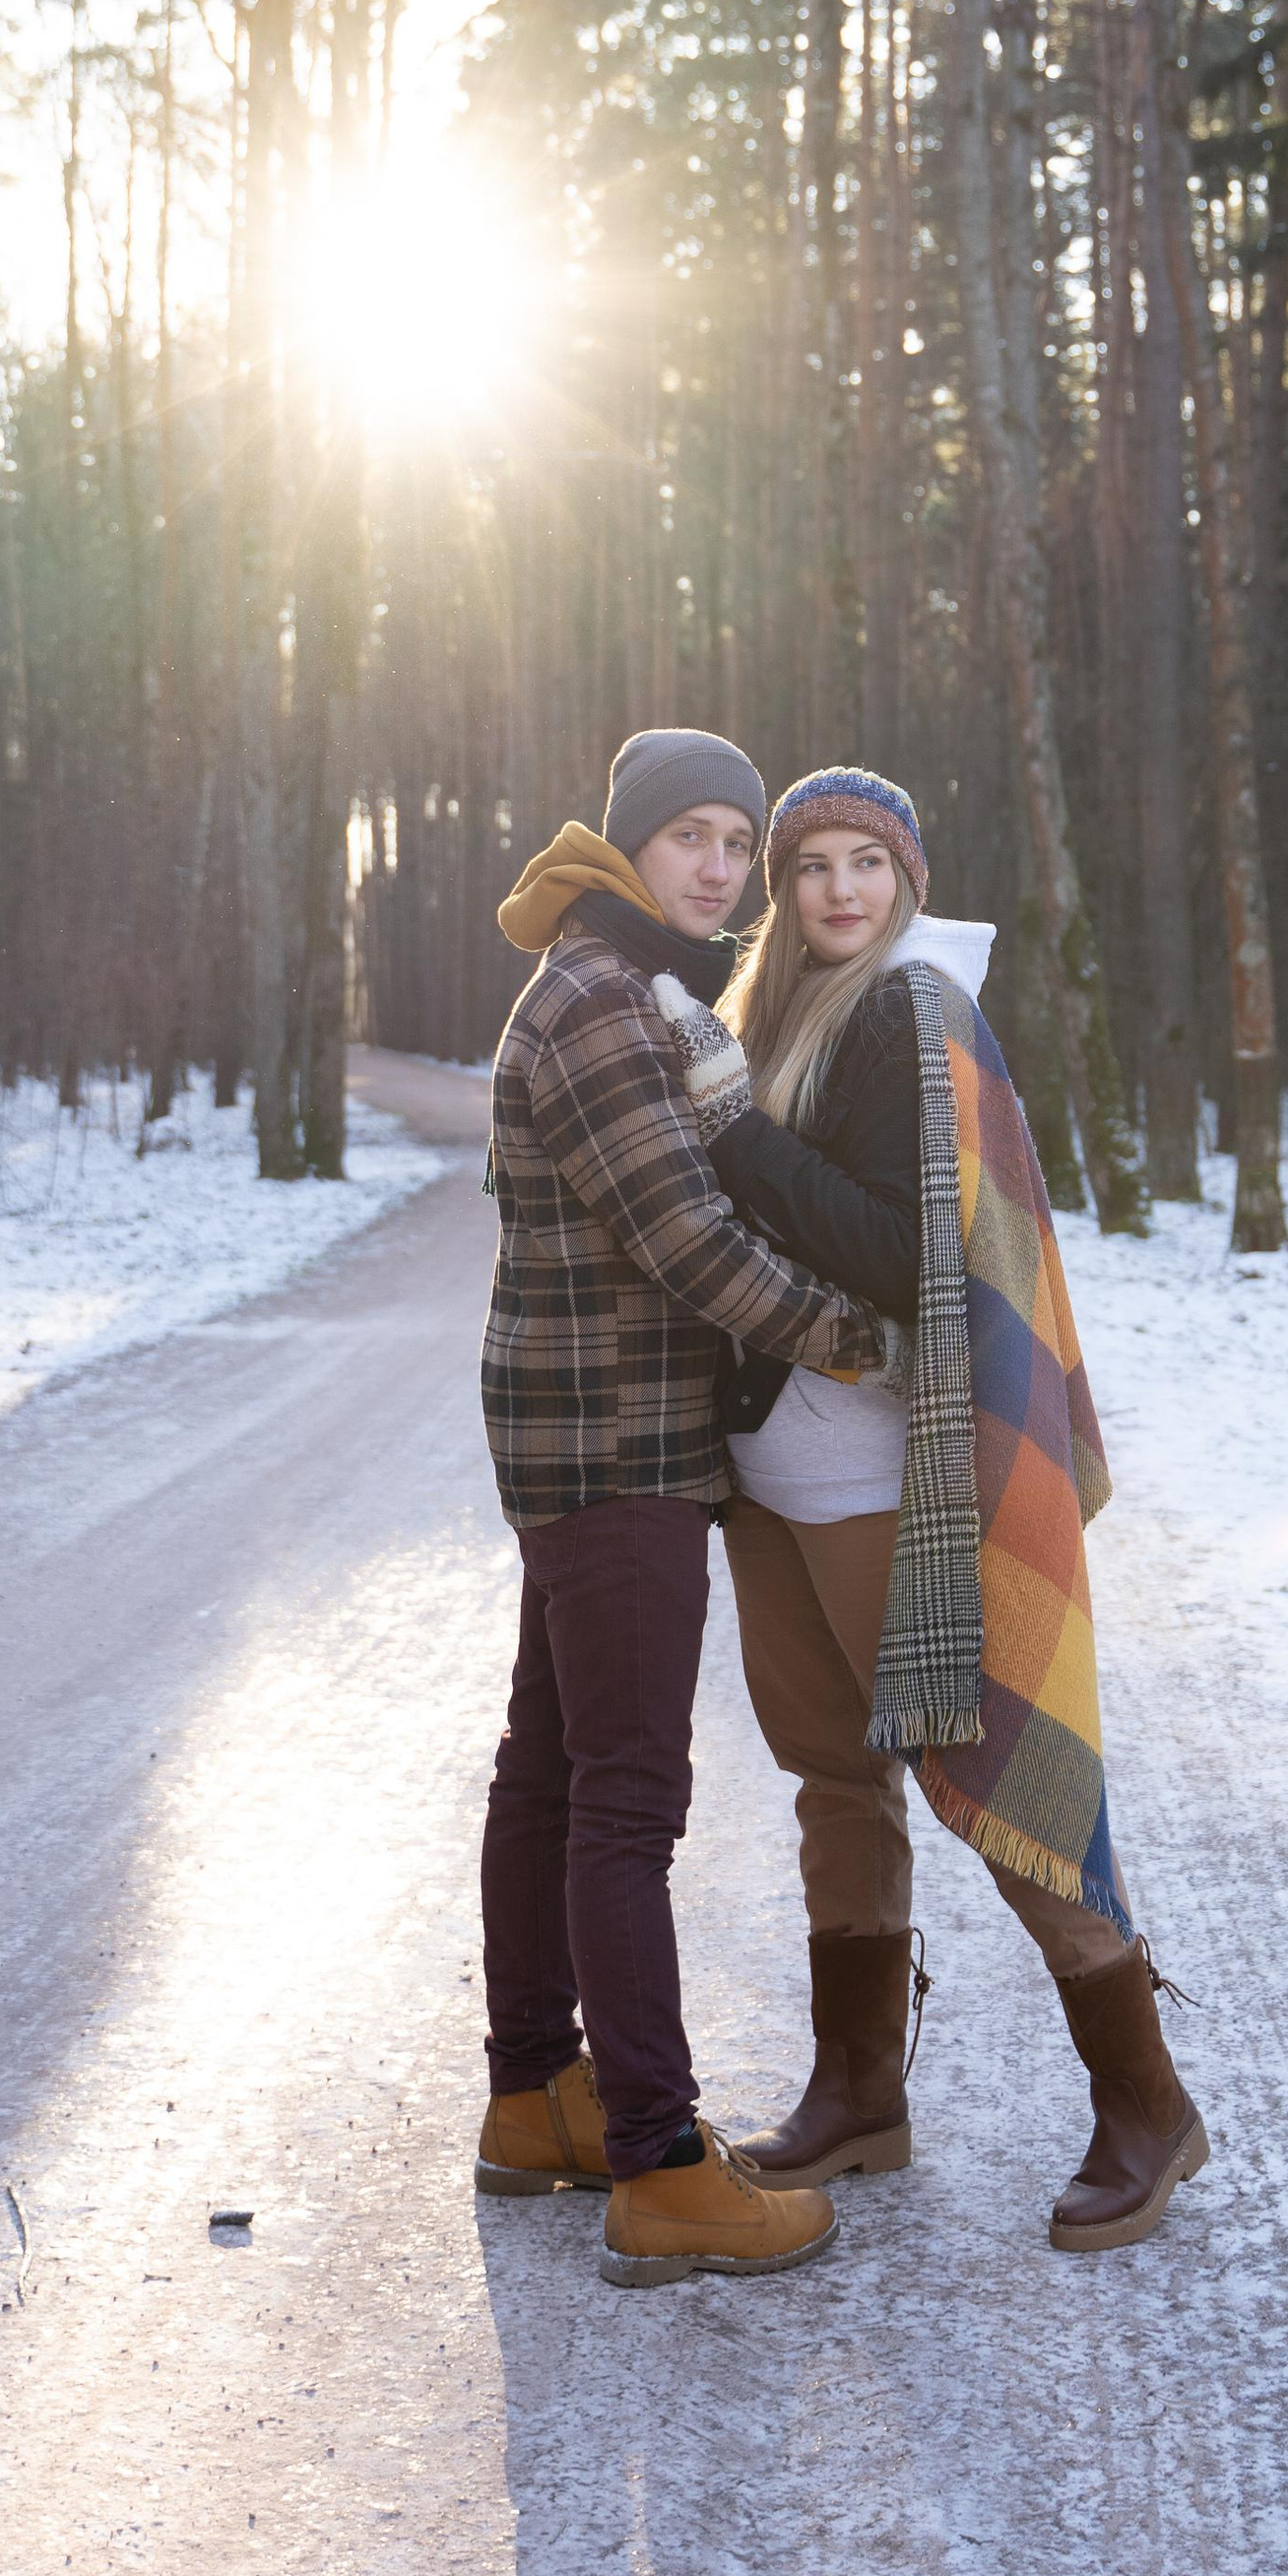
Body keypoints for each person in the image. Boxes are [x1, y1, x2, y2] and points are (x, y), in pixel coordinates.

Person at [649, 765, 1206, 2255]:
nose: (838, 891)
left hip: (881, 1473)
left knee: (998, 1791)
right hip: (774, 1474)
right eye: (812, 866)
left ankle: (1147, 2104)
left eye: (865, 865)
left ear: (905, 878)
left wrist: (736, 1135)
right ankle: (860, 2092)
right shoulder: (776, 1014)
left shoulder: (909, 1012)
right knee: (832, 1779)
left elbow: (906, 1259)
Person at [473, 727, 887, 2290]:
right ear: (631, 843)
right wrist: (854, 1334)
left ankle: (536, 2097)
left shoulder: (630, 985)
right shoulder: (596, 1002)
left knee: (554, 1769)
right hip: (615, 1445)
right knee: (627, 1799)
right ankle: (655, 2162)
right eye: (694, 837)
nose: (719, 868)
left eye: (738, 843)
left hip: (587, 1436)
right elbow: (690, 1240)